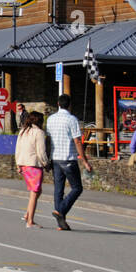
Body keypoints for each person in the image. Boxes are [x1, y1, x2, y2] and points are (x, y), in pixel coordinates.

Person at [46, 94, 91, 230]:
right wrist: (84, 160)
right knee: (77, 188)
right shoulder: (72, 119)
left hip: (55, 157)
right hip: (68, 158)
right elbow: (77, 141)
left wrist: (47, 157)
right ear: (69, 105)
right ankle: (61, 211)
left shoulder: (50, 119)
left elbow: (48, 140)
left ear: (58, 104)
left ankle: (61, 220)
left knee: (58, 190)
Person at [14, 111, 48, 227]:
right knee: (34, 193)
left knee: (37, 191)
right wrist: (46, 163)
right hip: (33, 165)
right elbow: (41, 152)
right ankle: (30, 221)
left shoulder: (23, 131)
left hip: (23, 164)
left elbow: (17, 148)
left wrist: (18, 164)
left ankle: (27, 214)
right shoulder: (39, 133)